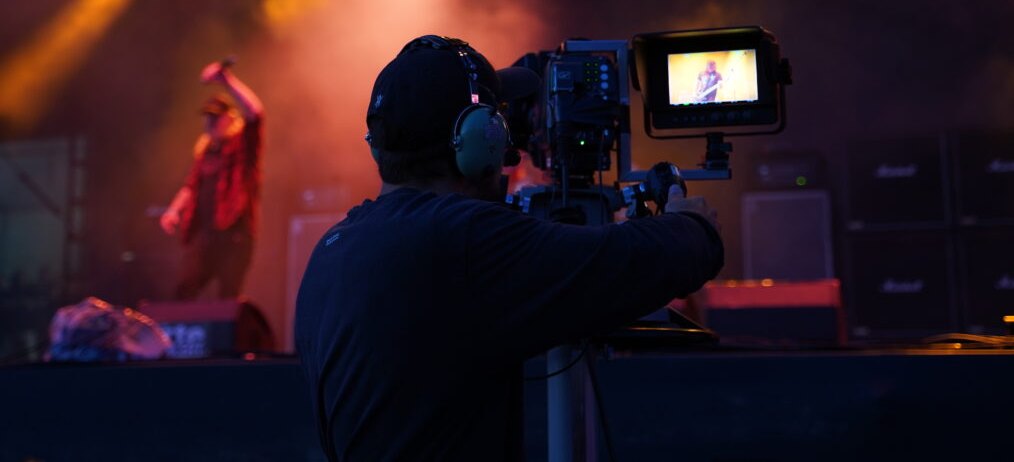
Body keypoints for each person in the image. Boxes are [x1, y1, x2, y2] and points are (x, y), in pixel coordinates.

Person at [293, 35, 723, 461]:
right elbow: (632, 261)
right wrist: (693, 223)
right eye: (497, 117)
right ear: (481, 138)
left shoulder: (331, 249)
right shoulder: (461, 238)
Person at [159, 60, 264, 300]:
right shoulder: (205, 152)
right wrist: (173, 210)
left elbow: (255, 112)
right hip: (205, 236)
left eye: (216, 117)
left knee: (228, 299)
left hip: (234, 236)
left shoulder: (243, 145)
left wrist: (226, 80)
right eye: (207, 117)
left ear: (230, 118)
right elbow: (191, 186)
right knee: (183, 292)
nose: (210, 122)